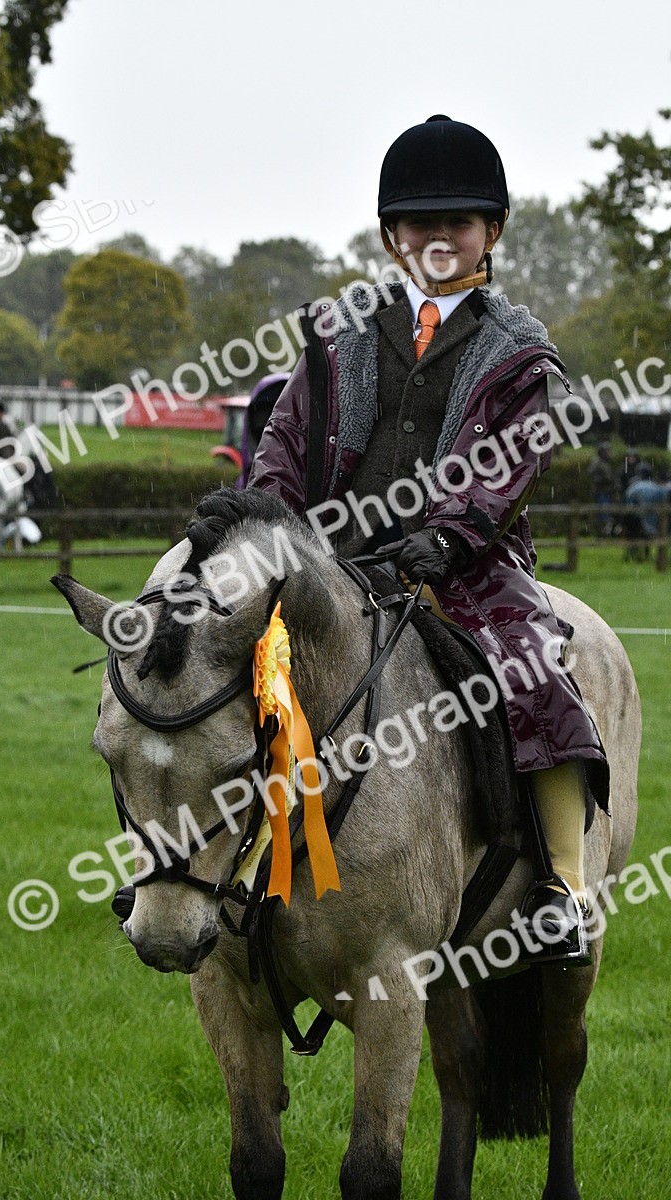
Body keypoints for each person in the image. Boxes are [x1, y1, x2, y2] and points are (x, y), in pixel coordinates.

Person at [249, 114, 609, 963]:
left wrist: (451, 537)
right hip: (333, 560)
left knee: (537, 672)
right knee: (224, 658)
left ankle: (563, 887)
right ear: (391, 235)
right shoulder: (334, 341)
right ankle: (196, 865)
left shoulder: (520, 353)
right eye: (421, 222)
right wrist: (259, 525)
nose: (439, 235)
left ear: (492, 231)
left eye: (458, 220)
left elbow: (515, 460)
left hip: (467, 568)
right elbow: (285, 443)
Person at [588, 440, 615, 535]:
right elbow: (591, 474)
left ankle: (605, 531)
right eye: (606, 451)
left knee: (607, 511)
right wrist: (602, 479)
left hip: (607, 490)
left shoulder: (606, 462)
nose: (608, 453)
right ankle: (601, 532)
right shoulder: (597, 462)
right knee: (602, 512)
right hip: (600, 491)